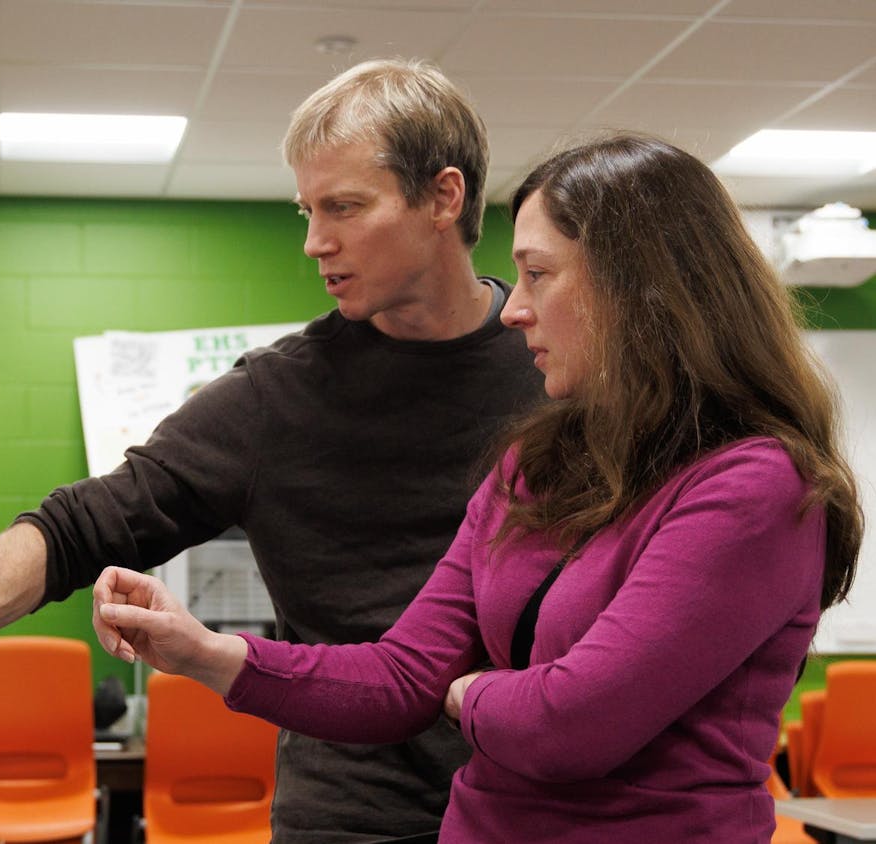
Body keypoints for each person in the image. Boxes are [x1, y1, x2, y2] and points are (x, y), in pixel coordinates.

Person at [0, 58, 544, 840]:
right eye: (305, 212)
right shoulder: (277, 398)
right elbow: (76, 527)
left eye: (343, 207)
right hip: (352, 818)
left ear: (444, 196)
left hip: (543, 806)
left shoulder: (560, 379)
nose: (313, 243)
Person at [90, 132, 864, 842]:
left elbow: (571, 726)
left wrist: (467, 695)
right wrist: (204, 653)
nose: (515, 309)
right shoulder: (535, 463)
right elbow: (401, 677)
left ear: (641, 290)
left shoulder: (754, 486)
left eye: (538, 274)